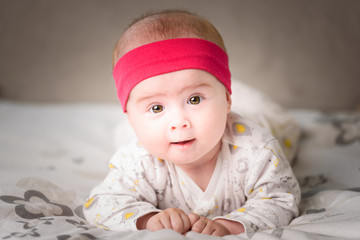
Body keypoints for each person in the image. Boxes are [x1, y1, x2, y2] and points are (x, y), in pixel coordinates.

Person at [83, 9, 301, 236]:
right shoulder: (137, 161)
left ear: (227, 99)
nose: (179, 122)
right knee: (125, 138)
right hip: (143, 133)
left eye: (194, 99)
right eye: (156, 107)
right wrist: (149, 220)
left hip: (255, 118)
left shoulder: (257, 149)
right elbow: (100, 204)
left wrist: (228, 226)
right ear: (129, 116)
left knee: (282, 129)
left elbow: (280, 200)